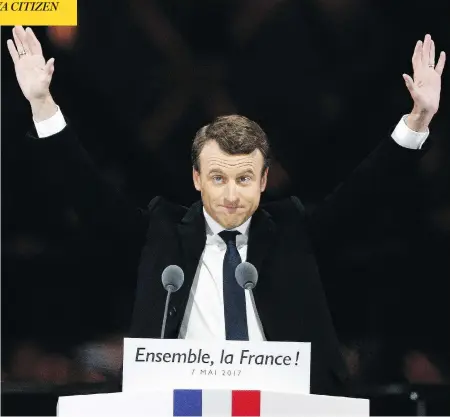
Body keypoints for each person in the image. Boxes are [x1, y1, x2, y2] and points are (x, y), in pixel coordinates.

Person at [6, 25, 446, 395]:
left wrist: (419, 119)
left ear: (264, 181)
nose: (231, 194)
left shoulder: (293, 231)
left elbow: (364, 195)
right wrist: (42, 106)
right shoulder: (162, 233)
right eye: (218, 178)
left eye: (244, 178)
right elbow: (89, 194)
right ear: (197, 179)